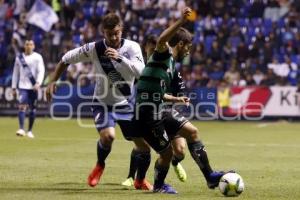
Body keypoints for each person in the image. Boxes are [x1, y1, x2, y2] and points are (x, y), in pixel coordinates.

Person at [46, 13, 152, 190]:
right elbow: (65, 59)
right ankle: (100, 165)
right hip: (102, 103)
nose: (113, 37)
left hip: (126, 103)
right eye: (109, 34)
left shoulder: (132, 47)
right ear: (103, 32)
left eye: (116, 33)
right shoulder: (94, 48)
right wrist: (52, 81)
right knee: (108, 136)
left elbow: (141, 73)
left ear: (121, 30)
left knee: (144, 146)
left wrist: (120, 58)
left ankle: (139, 180)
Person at [135, 7, 229, 194]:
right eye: (188, 46)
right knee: (167, 153)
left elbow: (157, 92)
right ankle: (159, 186)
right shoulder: (164, 54)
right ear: (181, 44)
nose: (189, 51)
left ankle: (210, 177)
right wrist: (180, 21)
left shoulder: (171, 66)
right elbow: (162, 40)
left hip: (160, 108)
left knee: (192, 132)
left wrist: (176, 98)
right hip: (146, 113)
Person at [122, 35, 187, 187]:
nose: (151, 53)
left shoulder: (170, 68)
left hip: (166, 112)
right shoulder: (142, 69)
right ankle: (132, 176)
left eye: (154, 49)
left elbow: (180, 94)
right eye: (149, 50)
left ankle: (175, 163)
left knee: (180, 150)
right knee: (141, 144)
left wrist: (175, 107)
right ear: (145, 50)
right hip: (148, 113)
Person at [12, 39, 45, 138]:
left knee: (32, 110)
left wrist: (38, 83)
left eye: (30, 44)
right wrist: (13, 87)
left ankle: (30, 131)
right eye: (27, 44)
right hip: (23, 87)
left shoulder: (38, 57)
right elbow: (15, 73)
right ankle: (21, 129)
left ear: (34, 46)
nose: (29, 46)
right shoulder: (19, 58)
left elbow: (41, 71)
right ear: (24, 46)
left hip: (34, 87)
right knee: (22, 106)